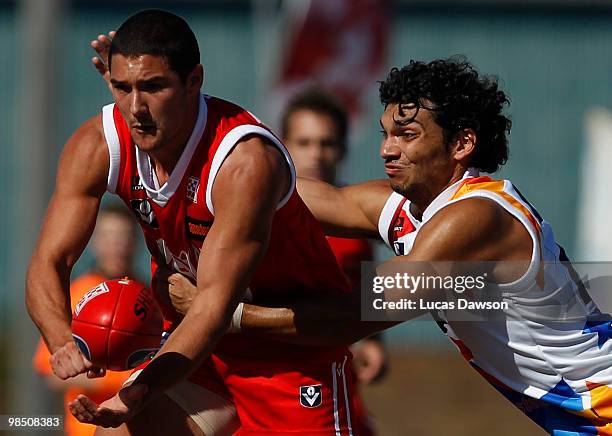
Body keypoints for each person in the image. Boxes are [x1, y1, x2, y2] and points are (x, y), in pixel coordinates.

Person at [166, 58, 612, 435]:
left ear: (461, 144)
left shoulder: (474, 218)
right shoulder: (412, 209)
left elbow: (352, 315)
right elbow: (285, 192)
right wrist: (176, 131)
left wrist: (225, 313)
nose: (387, 149)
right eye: (385, 133)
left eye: (407, 134)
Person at [26, 9, 364, 435]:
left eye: (153, 87)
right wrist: (62, 343)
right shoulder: (100, 143)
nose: (136, 108)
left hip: (288, 359)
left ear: (194, 81)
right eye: (122, 87)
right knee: (115, 431)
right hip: (193, 348)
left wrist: (135, 391)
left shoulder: (244, 164)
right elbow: (48, 261)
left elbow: (211, 308)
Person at [280, 88, 387, 387]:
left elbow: (369, 295)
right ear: (283, 144)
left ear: (342, 148)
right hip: (264, 369)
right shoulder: (258, 212)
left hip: (332, 376)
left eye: (326, 143)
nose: (316, 153)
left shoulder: (363, 219)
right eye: (304, 142)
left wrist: (372, 342)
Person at [33, 204, 140, 436]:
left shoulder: (149, 299)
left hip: (140, 428)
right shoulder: (76, 295)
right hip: (86, 431)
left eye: (124, 237)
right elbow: (51, 374)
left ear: (136, 242)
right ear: (95, 243)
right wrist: (118, 381)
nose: (117, 246)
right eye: (109, 237)